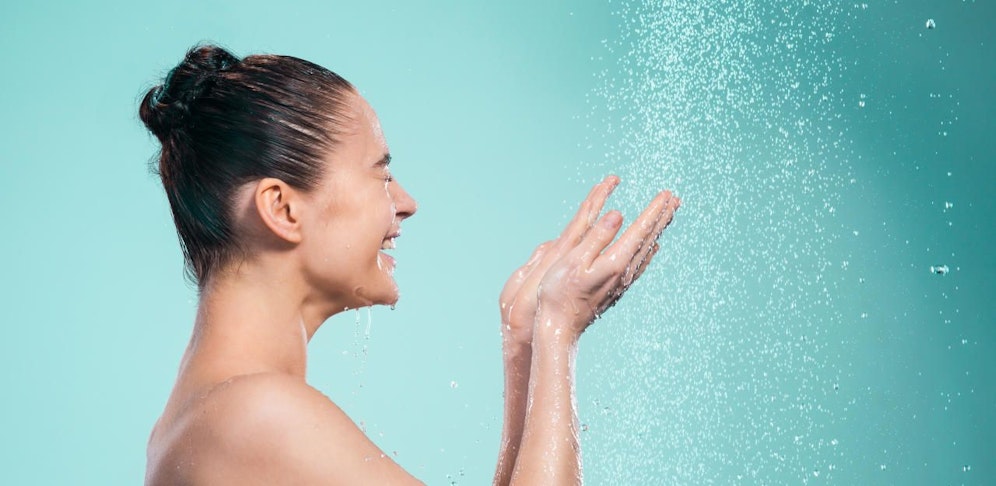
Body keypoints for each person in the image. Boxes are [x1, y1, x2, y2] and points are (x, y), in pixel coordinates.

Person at [140, 44, 680, 485]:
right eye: (380, 173)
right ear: (282, 209)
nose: (405, 201)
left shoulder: (205, 416)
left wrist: (526, 346)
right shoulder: (253, 415)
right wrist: (560, 330)